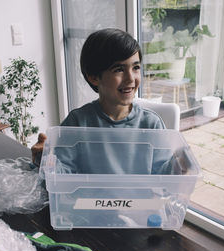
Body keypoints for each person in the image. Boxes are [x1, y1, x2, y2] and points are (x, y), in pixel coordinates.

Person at [32, 28, 166, 167]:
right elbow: (60, 174)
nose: (130, 78)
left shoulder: (152, 124)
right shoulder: (77, 123)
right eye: (119, 69)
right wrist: (43, 158)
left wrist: (180, 166)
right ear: (94, 77)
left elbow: (166, 174)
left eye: (136, 67)